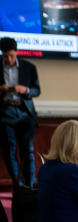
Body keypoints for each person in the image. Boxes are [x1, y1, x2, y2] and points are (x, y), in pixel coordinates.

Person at [1, 37, 41, 187]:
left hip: (25, 112)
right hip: (5, 112)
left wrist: (26, 90)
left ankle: (30, 187)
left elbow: (37, 90)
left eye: (11, 55)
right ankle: (18, 186)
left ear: (17, 52)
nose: (8, 59)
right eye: (5, 56)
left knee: (28, 151)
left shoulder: (29, 67)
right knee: (9, 151)